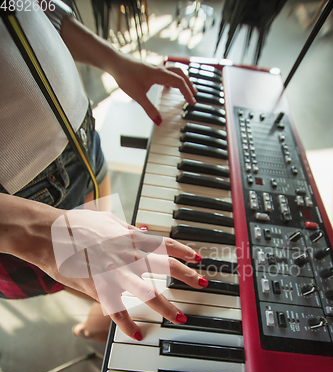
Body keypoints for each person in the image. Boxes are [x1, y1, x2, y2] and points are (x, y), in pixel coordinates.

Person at [0, 1, 208, 343]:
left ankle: (98, 323)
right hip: (17, 205)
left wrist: (114, 59)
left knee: (111, 258)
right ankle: (99, 327)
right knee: (88, 276)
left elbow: (31, 7)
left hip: (81, 141)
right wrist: (46, 231)